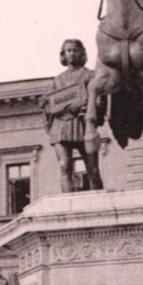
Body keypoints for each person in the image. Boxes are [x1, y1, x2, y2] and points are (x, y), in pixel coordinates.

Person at [43, 39, 103, 192]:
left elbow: (99, 100)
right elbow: (51, 105)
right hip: (61, 125)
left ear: (82, 53)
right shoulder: (58, 80)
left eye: (75, 50)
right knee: (64, 166)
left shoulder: (90, 75)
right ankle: (67, 202)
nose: (71, 53)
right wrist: (46, 104)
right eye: (68, 50)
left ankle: (97, 201)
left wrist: (87, 106)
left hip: (82, 124)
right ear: (63, 54)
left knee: (93, 169)